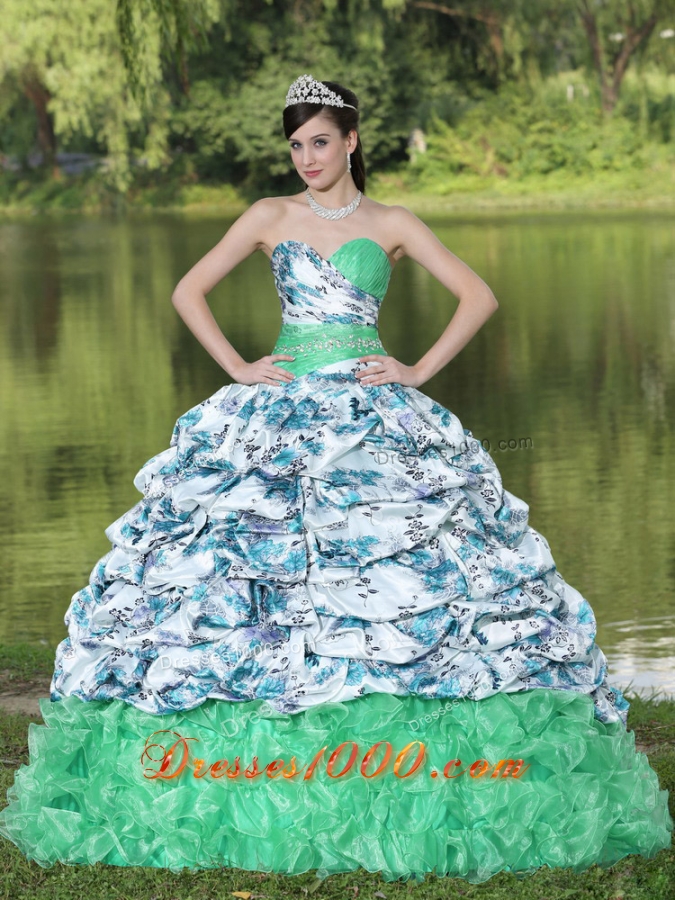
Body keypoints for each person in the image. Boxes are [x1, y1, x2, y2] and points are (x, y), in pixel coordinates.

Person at [0, 73, 671, 885]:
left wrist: (415, 369)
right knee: (247, 564)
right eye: (296, 145)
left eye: (320, 142)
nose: (307, 158)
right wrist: (239, 367)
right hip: (279, 404)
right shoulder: (268, 216)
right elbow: (187, 290)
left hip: (371, 410)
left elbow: (478, 295)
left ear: (351, 141)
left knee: (402, 569)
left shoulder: (393, 223)